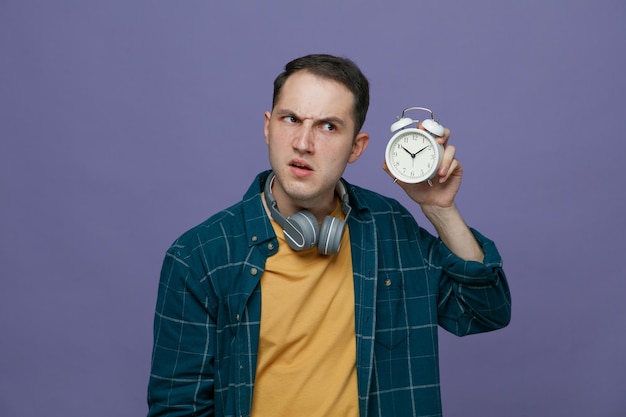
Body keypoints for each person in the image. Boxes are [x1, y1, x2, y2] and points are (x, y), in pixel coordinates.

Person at [147, 53, 511, 417]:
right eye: (290, 119)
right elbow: (178, 410)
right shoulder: (199, 256)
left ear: (357, 147)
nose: (303, 142)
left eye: (328, 127)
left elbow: (483, 311)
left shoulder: (388, 228)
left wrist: (439, 209)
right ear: (268, 127)